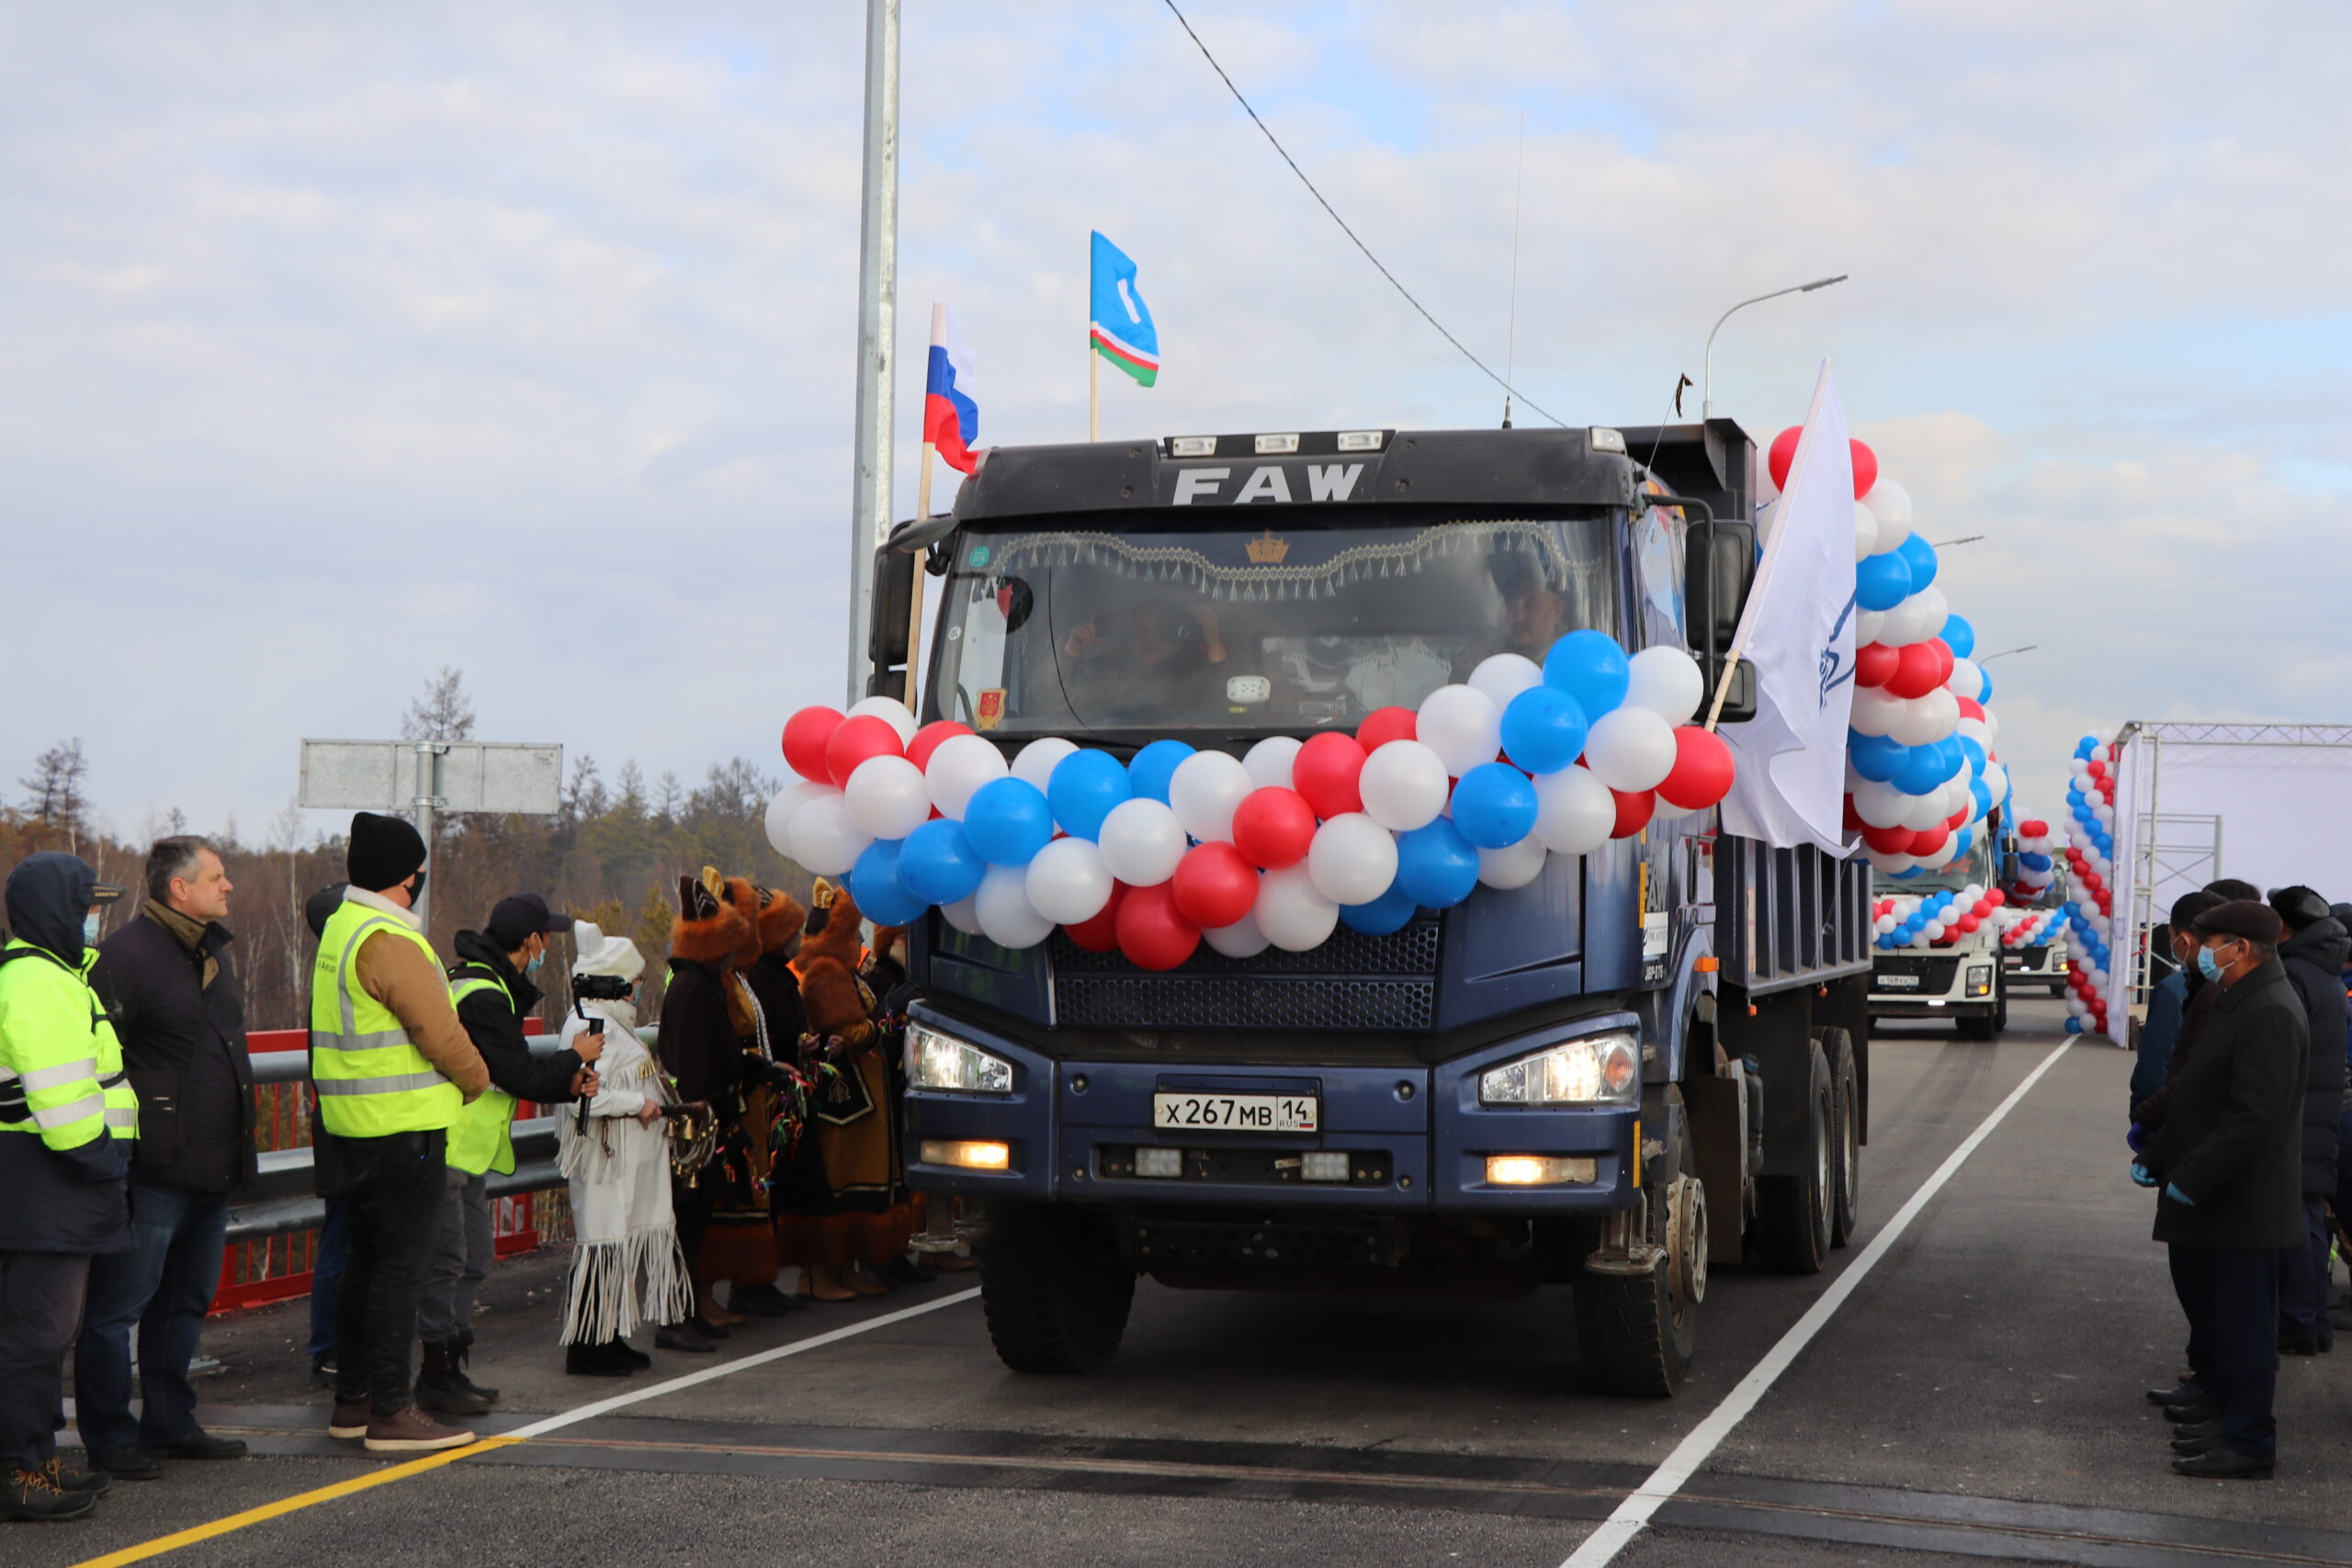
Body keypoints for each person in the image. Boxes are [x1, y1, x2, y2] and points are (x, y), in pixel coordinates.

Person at [74, 838, 255, 1482]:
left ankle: (171, 1421)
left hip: (210, 1167)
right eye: (217, 876)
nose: (227, 885)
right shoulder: (126, 957)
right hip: (152, 1171)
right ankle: (110, 1436)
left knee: (183, 1304)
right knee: (117, 1309)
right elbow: (96, 1057)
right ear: (179, 888)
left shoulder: (211, 954)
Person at [311, 812, 490, 1454]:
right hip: (402, 1133)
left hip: (349, 1129)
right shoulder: (391, 937)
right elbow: (438, 1030)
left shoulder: (340, 929)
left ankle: (353, 1399)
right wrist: (476, 1077)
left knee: (362, 1265)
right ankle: (392, 1408)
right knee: (399, 1273)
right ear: (409, 878)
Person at [2132, 899, 2308, 1480]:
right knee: (2225, 1324)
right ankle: (2231, 1420)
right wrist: (2161, 1153)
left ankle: (2250, 1440)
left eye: (2212, 944)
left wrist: (2193, 1174)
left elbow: (2254, 1116)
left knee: (2245, 1328)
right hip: (2223, 1201)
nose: (2202, 953)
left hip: (2246, 1204)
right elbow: (2198, 1091)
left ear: (2242, 948)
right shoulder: (2239, 999)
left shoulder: (2273, 1010)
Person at [416, 895, 600, 1416]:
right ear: (530, 942)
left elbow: (511, 1070)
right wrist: (574, 1058)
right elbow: (515, 1072)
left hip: (468, 1149)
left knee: (474, 1257)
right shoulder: (481, 994)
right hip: (448, 1143)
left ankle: (451, 1366)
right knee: (449, 1261)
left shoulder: (488, 983)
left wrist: (567, 1078)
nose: (548, 947)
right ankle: (436, 1374)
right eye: (547, 937)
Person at [0, 854, 131, 1520]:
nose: (94, 919)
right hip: (49, 1183)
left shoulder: (52, 975)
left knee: (41, 1333)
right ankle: (21, 1472)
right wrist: (108, 1162)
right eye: (86, 905)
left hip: (47, 1186)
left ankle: (39, 1457)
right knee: (36, 1332)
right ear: (55, 908)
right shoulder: (39, 981)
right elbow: (64, 1102)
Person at [556, 921, 694, 1374]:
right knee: (602, 1244)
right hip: (604, 1161)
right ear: (613, 984)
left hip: (621, 1161)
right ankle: (586, 1348)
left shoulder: (609, 1024)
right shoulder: (591, 1026)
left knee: (614, 1246)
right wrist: (640, 1102)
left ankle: (608, 1336)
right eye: (634, 983)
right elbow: (587, 1096)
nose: (638, 991)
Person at [655, 869, 758, 1349]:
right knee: (687, 1220)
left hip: (705, 1115)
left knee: (697, 1221)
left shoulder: (701, 985)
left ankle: (689, 1311)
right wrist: (719, 1108)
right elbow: (696, 1065)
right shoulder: (693, 989)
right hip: (696, 1123)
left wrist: (755, 1070)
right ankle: (677, 1314)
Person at [2267, 886, 2346, 1354]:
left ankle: (2297, 1324)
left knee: (2292, 1224)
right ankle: (2312, 1321)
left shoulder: (2292, 974)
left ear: (2285, 926)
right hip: (2320, 1116)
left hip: (2296, 1118)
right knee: (2311, 1222)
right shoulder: (2325, 973)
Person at [301, 883, 348, 1389]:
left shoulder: (328, 971)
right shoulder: (334, 976)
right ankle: (329, 1347)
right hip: (344, 1129)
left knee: (344, 1241)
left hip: (343, 1125)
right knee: (341, 1243)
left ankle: (335, 1345)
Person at [2132, 892, 2225, 1120]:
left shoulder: (2175, 989)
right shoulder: (2246, 986)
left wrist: (2144, 1118)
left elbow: (2157, 1064)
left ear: (2183, 940)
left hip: (2180, 1123)